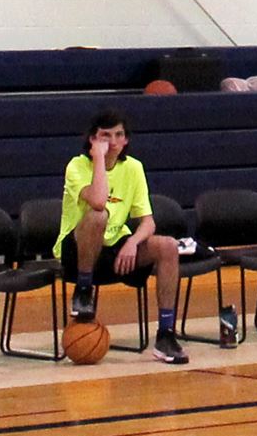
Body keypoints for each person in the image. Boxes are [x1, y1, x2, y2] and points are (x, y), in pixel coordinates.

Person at [54, 110, 186, 365]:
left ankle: (166, 335)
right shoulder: (77, 165)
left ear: (126, 140)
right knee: (98, 215)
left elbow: (148, 221)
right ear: (93, 139)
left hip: (115, 250)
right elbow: (98, 200)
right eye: (105, 136)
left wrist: (133, 243)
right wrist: (100, 160)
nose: (113, 142)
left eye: (119, 135)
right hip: (77, 252)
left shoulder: (134, 168)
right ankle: (83, 291)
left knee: (168, 245)